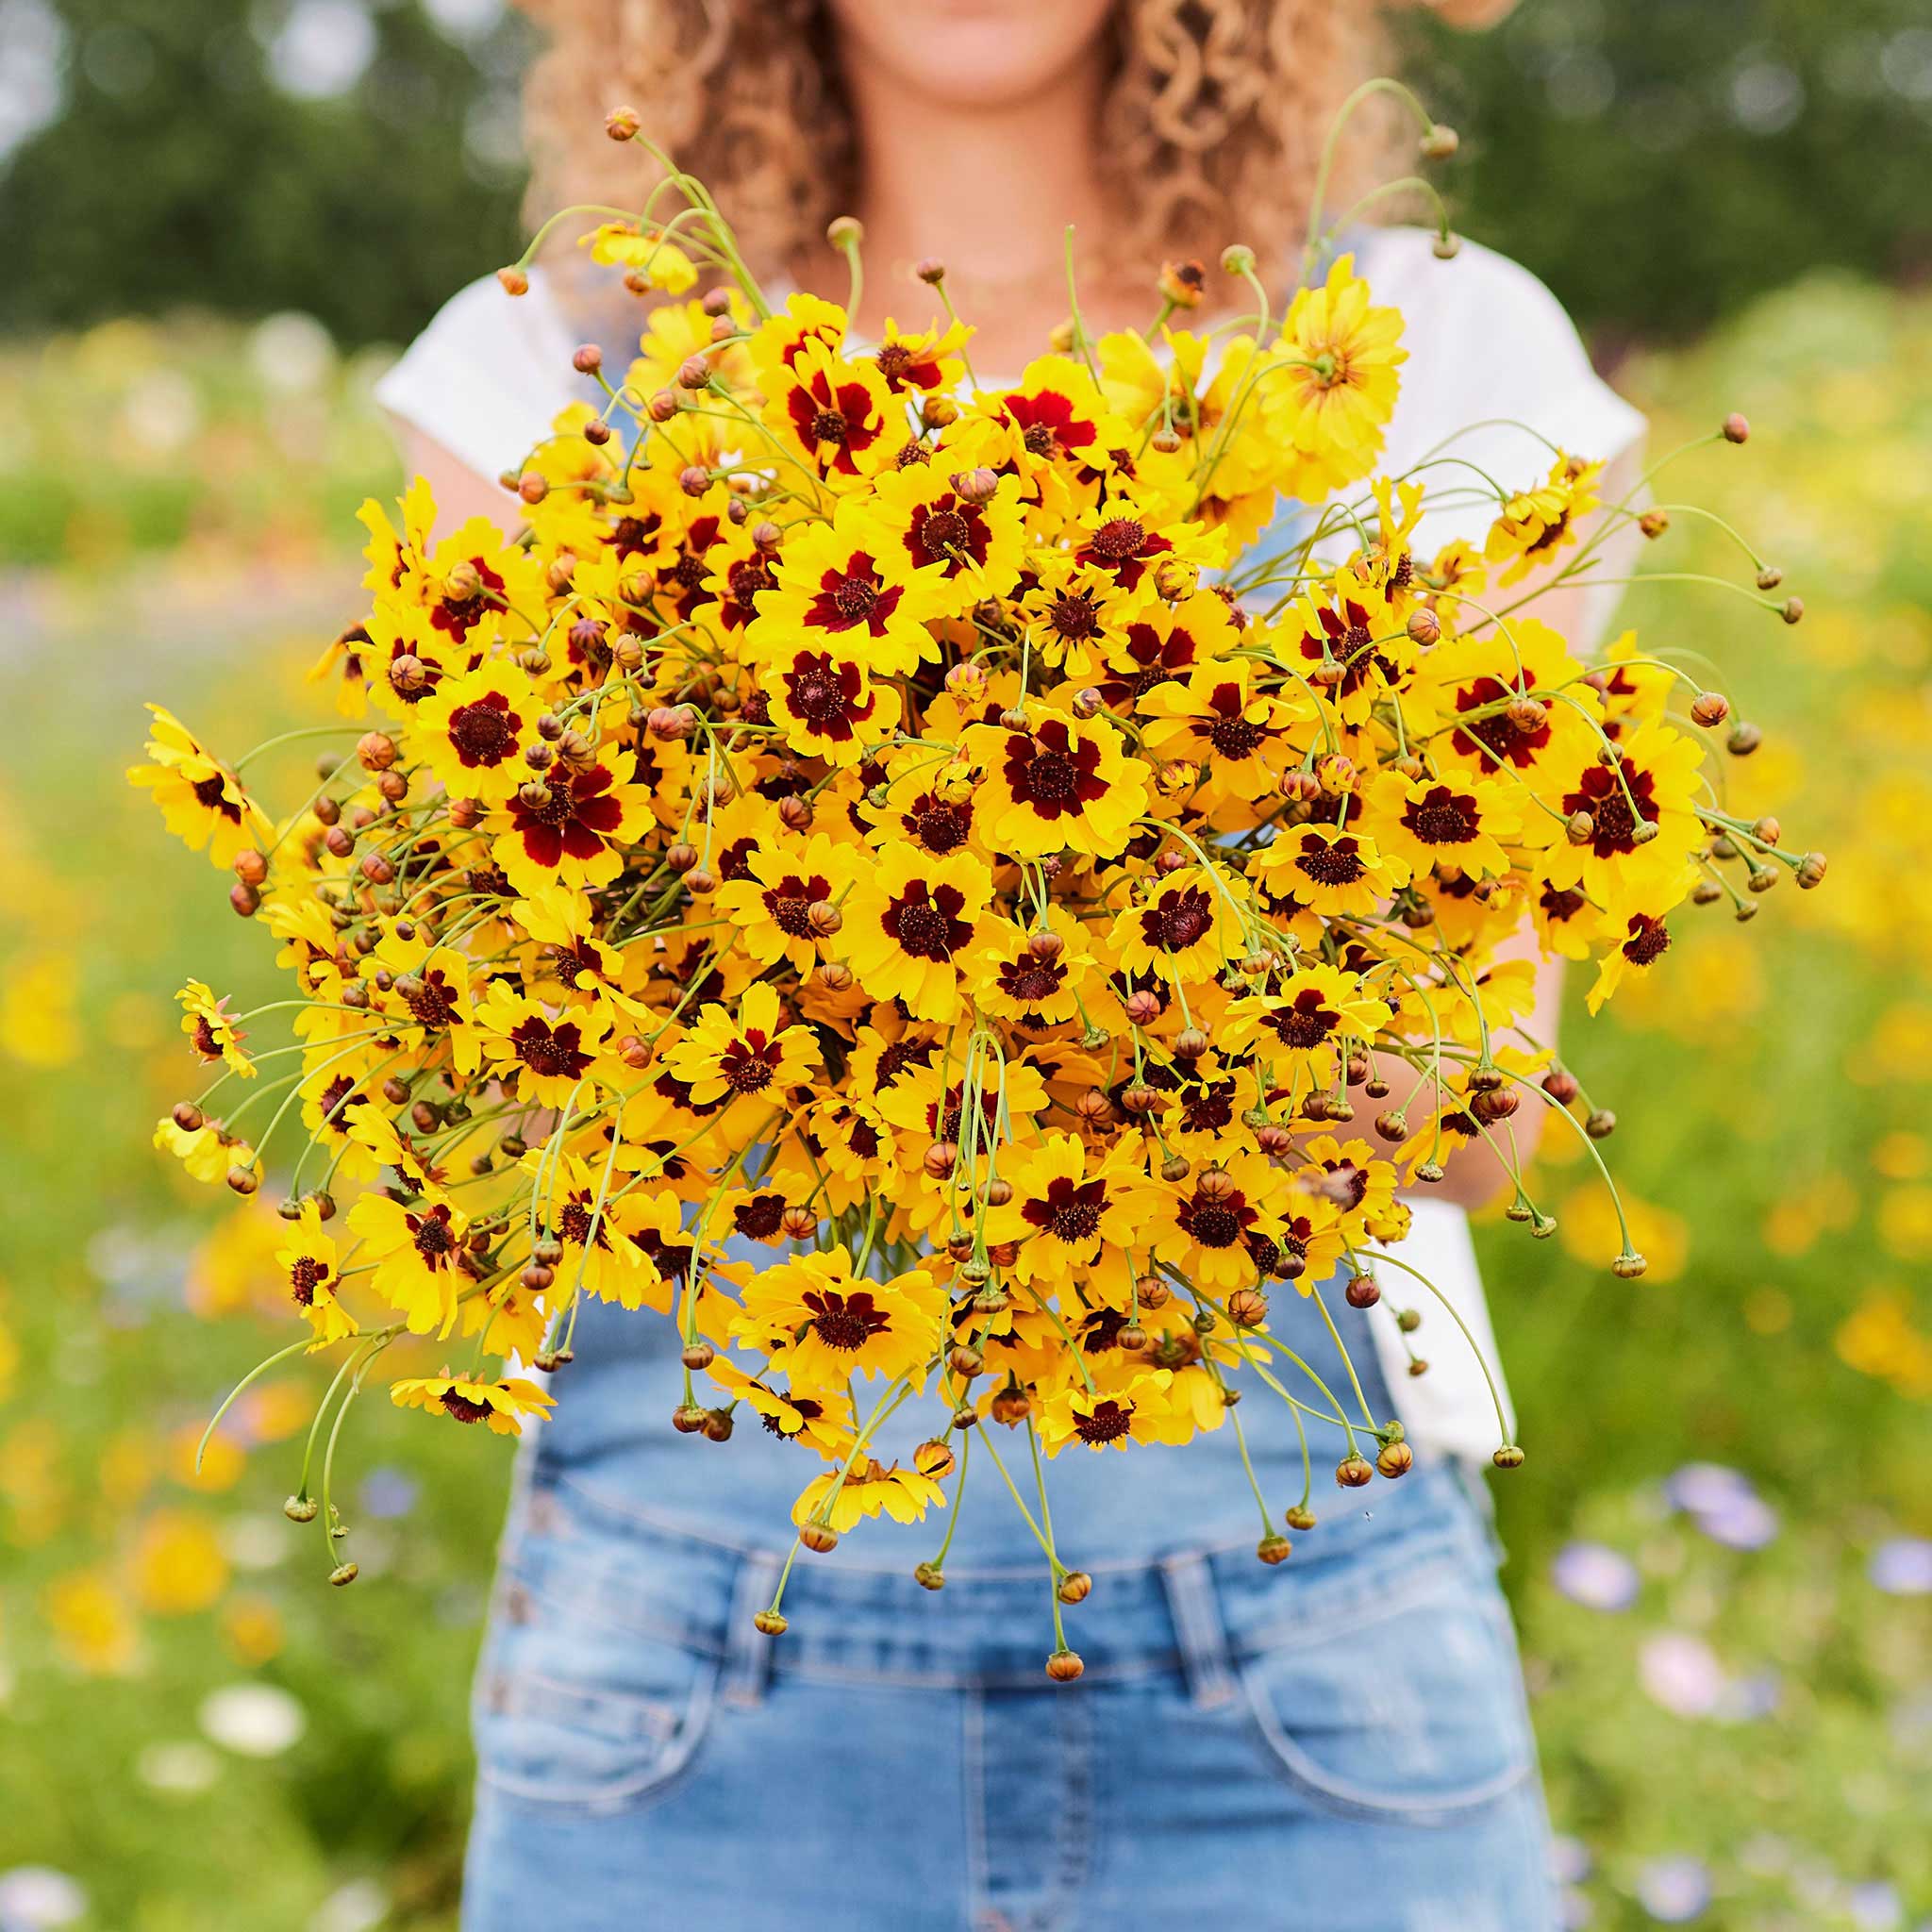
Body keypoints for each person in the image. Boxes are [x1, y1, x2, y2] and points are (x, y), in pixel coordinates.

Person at [375, 3, 1645, 1925]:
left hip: (1297, 1661)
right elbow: (525, 1043)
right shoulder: (552, 366)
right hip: (687, 1668)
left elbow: (1471, 1123)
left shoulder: (1439, 344)